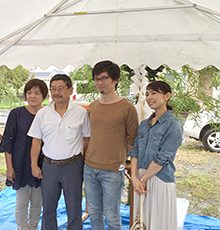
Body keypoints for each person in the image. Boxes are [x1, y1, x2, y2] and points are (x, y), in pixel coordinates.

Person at [28, 74, 91, 230]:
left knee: (74, 208)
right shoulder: (42, 114)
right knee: (48, 208)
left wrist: (82, 160)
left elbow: (87, 139)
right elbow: (36, 141)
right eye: (53, 89)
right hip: (49, 166)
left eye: (60, 89)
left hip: (73, 166)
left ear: (70, 90)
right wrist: (34, 165)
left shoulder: (81, 113)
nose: (56, 92)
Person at [84, 60, 139, 230]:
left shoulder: (127, 108)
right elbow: (86, 136)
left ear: (115, 79)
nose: (99, 82)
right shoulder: (92, 107)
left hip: (113, 170)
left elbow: (133, 138)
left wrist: (119, 157)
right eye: (96, 79)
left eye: (104, 78)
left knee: (112, 214)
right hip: (89, 167)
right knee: (94, 212)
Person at [127, 81, 183, 230]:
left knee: (158, 222)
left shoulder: (173, 124)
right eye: (147, 94)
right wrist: (134, 178)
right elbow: (135, 151)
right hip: (140, 181)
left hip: (159, 179)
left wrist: (143, 179)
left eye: (154, 93)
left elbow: (162, 158)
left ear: (167, 96)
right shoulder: (144, 124)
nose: (149, 97)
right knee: (141, 222)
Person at [0, 79, 48, 230]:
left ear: (44, 96)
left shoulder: (48, 114)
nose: (32, 96)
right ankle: (22, 228)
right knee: (22, 200)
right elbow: (8, 142)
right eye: (29, 92)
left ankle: (33, 227)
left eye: (37, 93)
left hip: (42, 163)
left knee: (37, 201)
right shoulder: (16, 113)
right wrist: (9, 167)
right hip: (20, 163)